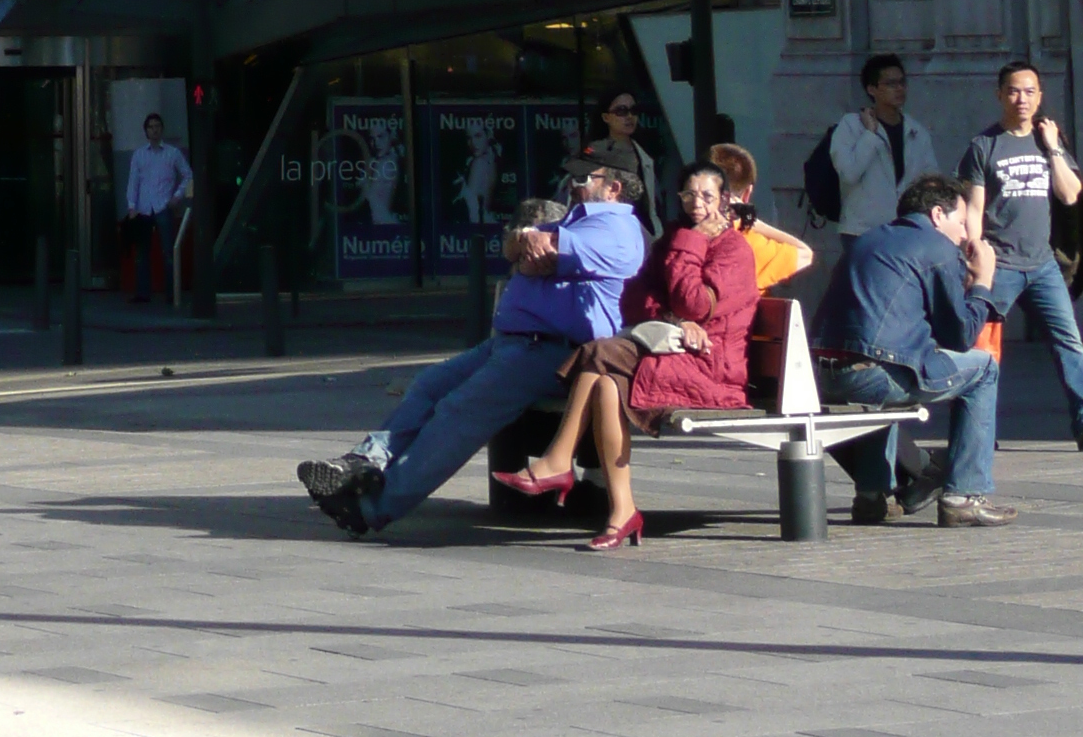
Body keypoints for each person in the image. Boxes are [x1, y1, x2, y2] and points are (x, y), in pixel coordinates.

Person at [298, 157, 646, 538]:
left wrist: (533, 244)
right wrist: (528, 244)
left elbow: (534, 245)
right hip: (512, 343)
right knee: (431, 384)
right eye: (571, 174)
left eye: (584, 177)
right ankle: (363, 462)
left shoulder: (617, 228)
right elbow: (517, 247)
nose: (573, 183)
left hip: (552, 353)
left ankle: (370, 508)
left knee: (458, 413)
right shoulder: (574, 221)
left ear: (613, 188)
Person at [495, 163, 761, 552]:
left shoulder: (732, 249)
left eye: (706, 196)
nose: (697, 205)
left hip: (712, 366)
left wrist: (693, 246)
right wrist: (673, 318)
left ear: (723, 199)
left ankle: (558, 462)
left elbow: (697, 303)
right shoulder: (674, 237)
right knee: (604, 379)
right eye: (689, 195)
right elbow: (635, 298)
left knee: (599, 353)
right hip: (670, 348)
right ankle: (622, 512)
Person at [811, 171, 1010, 526]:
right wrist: (982, 282)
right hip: (873, 373)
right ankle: (963, 496)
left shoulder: (868, 239)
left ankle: (872, 496)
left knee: (881, 384)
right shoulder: (937, 247)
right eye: (961, 222)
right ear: (937, 215)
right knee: (983, 369)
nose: (964, 233)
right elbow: (960, 336)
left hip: (822, 374)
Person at [828, 54, 940, 237]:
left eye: (902, 83)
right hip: (862, 231)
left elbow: (930, 180)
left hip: (906, 230)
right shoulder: (851, 126)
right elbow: (848, 173)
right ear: (872, 89)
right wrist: (870, 135)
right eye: (890, 84)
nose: (899, 89)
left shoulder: (916, 131)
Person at [710, 141, 814, 292]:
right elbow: (805, 253)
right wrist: (755, 224)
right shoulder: (752, 242)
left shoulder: (682, 236)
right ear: (747, 193)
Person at [562, 94, 661, 237]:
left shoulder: (645, 153)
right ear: (605, 117)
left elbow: (652, 204)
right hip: (600, 227)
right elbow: (575, 189)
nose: (629, 116)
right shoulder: (595, 150)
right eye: (621, 111)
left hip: (640, 229)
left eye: (634, 110)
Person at [122, 112, 191, 307]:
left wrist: (177, 196)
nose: (154, 130)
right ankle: (143, 293)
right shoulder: (139, 154)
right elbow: (133, 182)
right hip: (143, 208)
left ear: (162, 129)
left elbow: (188, 175)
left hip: (163, 205)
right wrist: (132, 206)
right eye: (151, 127)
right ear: (146, 131)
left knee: (168, 251)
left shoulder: (172, 153)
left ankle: (172, 293)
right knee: (141, 252)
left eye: (157, 126)